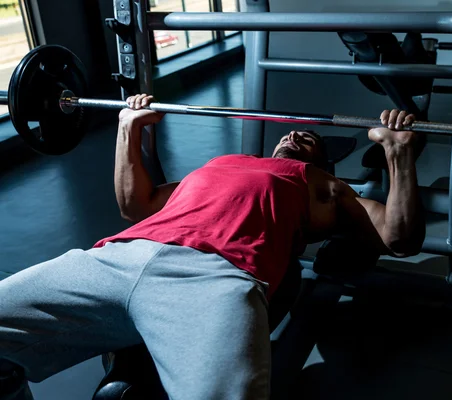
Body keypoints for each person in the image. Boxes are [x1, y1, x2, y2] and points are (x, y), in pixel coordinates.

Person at [0, 94, 425, 400]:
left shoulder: (325, 187)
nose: (296, 133)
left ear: (322, 163)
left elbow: (398, 236)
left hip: (217, 277)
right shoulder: (220, 164)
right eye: (293, 132)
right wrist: (127, 128)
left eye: (309, 139)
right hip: (119, 256)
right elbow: (136, 206)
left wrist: (398, 155)